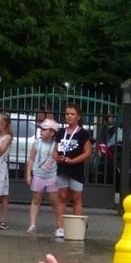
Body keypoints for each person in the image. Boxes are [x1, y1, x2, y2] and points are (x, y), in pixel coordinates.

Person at [52, 103, 92, 240]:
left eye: (72, 114)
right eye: (67, 114)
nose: (69, 116)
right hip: (62, 168)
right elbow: (55, 150)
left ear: (78, 116)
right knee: (62, 197)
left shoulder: (83, 133)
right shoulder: (61, 132)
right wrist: (57, 157)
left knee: (76, 198)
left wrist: (73, 161)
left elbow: (87, 152)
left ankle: (77, 228)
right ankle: (59, 227)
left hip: (76, 170)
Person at [25, 119, 59, 235]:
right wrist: (28, 173)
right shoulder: (37, 143)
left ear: (52, 132)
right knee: (36, 199)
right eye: (41, 129)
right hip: (38, 175)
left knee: (54, 201)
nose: (41, 131)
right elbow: (31, 158)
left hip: (52, 176)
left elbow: (58, 159)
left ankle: (58, 226)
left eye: (45, 130)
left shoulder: (56, 145)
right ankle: (32, 224)